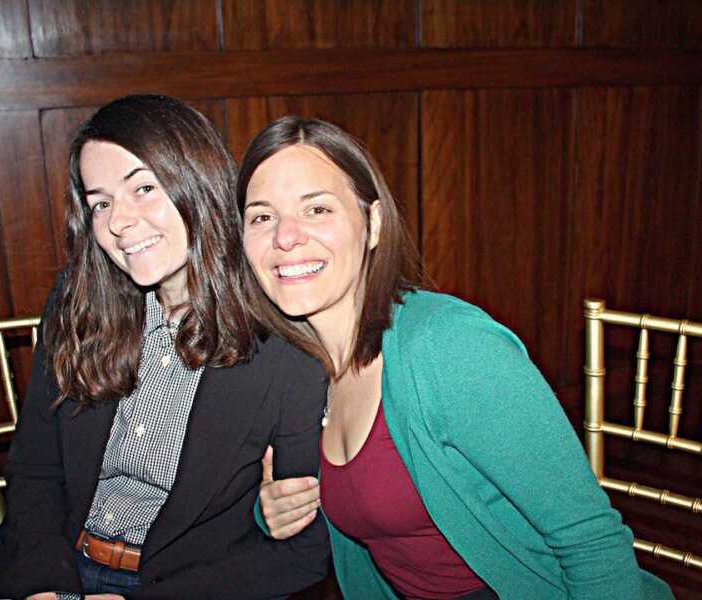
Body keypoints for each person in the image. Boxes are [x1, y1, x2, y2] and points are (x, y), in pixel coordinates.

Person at [237, 116, 675, 600]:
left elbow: (591, 542)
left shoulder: (449, 348)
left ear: (373, 224)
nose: (285, 237)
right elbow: (358, 505)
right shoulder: (299, 369)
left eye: (317, 209)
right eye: (262, 217)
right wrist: (275, 508)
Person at [0, 96, 329, 600]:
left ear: (197, 184)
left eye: (144, 188)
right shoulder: (78, 301)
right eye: (101, 203)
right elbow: (36, 468)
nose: (118, 223)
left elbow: (302, 552)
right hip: (56, 559)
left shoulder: (285, 346)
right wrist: (44, 584)